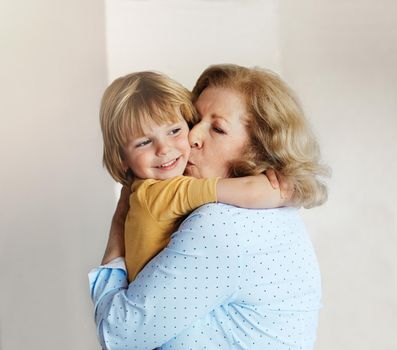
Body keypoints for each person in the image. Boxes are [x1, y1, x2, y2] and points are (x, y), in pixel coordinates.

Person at [89, 64, 329, 349]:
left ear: (257, 147)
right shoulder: (266, 216)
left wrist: (116, 243)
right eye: (194, 120)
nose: (191, 138)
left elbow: (118, 335)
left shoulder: (220, 225)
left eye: (217, 128)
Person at [99, 71, 287, 282]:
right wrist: (289, 188)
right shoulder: (165, 192)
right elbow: (255, 191)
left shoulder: (140, 191)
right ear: (122, 158)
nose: (164, 149)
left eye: (174, 131)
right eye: (143, 142)